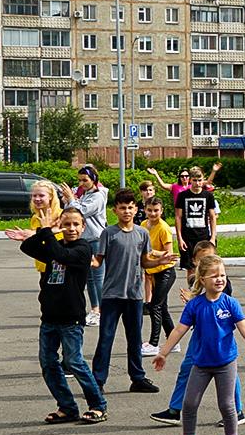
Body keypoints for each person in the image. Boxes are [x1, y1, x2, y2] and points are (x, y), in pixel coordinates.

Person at [154, 253, 245, 435]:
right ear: (202, 280)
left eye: (223, 275)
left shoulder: (230, 303)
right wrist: (163, 352)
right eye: (214, 275)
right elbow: (179, 329)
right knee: (189, 404)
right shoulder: (195, 305)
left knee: (227, 406)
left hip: (226, 363)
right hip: (201, 364)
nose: (220, 279)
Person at [6, 207, 108, 425]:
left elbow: (62, 255)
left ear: (83, 227)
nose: (71, 228)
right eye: (66, 224)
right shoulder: (56, 244)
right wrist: (46, 231)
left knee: (75, 361)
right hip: (49, 317)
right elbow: (28, 247)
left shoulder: (83, 249)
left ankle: (98, 405)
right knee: (48, 364)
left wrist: (46, 232)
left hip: (71, 318)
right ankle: (67, 407)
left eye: (75, 224)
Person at [92, 189, 160, 393]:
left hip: (135, 295)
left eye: (130, 207)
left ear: (136, 209)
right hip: (112, 295)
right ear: (115, 210)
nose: (127, 211)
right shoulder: (108, 233)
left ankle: (137, 378)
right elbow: (98, 260)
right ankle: (98, 380)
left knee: (135, 339)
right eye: (122, 208)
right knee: (106, 338)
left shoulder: (142, 233)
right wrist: (82, 259)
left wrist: (160, 260)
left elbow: (146, 261)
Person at [140, 195, 179, 355]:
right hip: (153, 271)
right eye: (150, 210)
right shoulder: (143, 225)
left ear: (161, 211)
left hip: (166, 271)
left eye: (156, 210)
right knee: (162, 307)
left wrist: (151, 252)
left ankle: (154, 343)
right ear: (145, 210)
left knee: (155, 306)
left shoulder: (164, 228)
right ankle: (173, 341)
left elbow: (168, 254)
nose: (153, 213)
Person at [73, 165, 108, 325]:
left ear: (93, 179)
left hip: (96, 239)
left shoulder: (98, 196)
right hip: (86, 239)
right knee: (89, 278)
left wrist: (71, 199)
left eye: (85, 180)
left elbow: (81, 211)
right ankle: (95, 309)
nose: (82, 183)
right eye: (80, 180)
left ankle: (104, 311)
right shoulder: (85, 194)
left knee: (98, 277)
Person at [173, 166, 217, 273]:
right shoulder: (182, 196)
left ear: (203, 180)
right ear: (190, 180)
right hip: (187, 237)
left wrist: (213, 237)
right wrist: (179, 238)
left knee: (205, 266)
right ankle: (192, 289)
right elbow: (178, 217)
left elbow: (212, 217)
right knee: (190, 268)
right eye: (195, 180)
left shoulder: (208, 195)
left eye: (200, 180)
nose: (197, 183)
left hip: (203, 235)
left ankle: (203, 289)